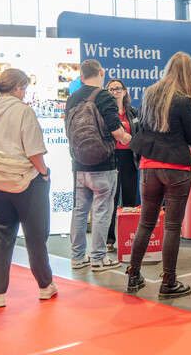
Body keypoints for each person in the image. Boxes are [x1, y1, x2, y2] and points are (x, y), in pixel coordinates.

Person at [126, 52, 191, 299]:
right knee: (172, 227)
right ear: (189, 74)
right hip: (176, 169)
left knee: (146, 223)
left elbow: (143, 127)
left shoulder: (149, 93)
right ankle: (169, 282)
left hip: (148, 166)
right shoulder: (185, 100)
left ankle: (133, 276)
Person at [0, 68, 56, 308]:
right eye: (25, 88)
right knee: (35, 236)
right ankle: (45, 286)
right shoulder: (24, 111)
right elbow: (33, 151)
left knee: (0, 237)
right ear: (18, 87)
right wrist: (44, 172)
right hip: (25, 180)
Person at [65, 59, 131, 272]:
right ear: (102, 72)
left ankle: (77, 257)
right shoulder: (104, 97)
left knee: (79, 211)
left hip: (79, 165)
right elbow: (116, 131)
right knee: (102, 211)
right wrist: (127, 137)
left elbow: (68, 130)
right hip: (103, 164)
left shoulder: (72, 98)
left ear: (82, 77)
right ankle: (99, 258)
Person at [105, 79, 140, 253]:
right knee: (111, 200)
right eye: (111, 89)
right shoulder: (105, 112)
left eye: (118, 89)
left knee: (130, 200)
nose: (115, 92)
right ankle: (109, 240)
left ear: (124, 92)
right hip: (112, 159)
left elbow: (139, 134)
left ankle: (129, 237)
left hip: (129, 159)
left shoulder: (133, 112)